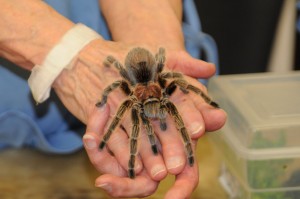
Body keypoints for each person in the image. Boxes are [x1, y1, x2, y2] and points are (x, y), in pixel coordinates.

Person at [0, 0, 226, 198]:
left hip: (113, 60)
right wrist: (70, 57)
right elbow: (117, 86)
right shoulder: (127, 90)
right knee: (132, 119)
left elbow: (176, 79)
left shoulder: (163, 82)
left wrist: (154, 38)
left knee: (175, 100)